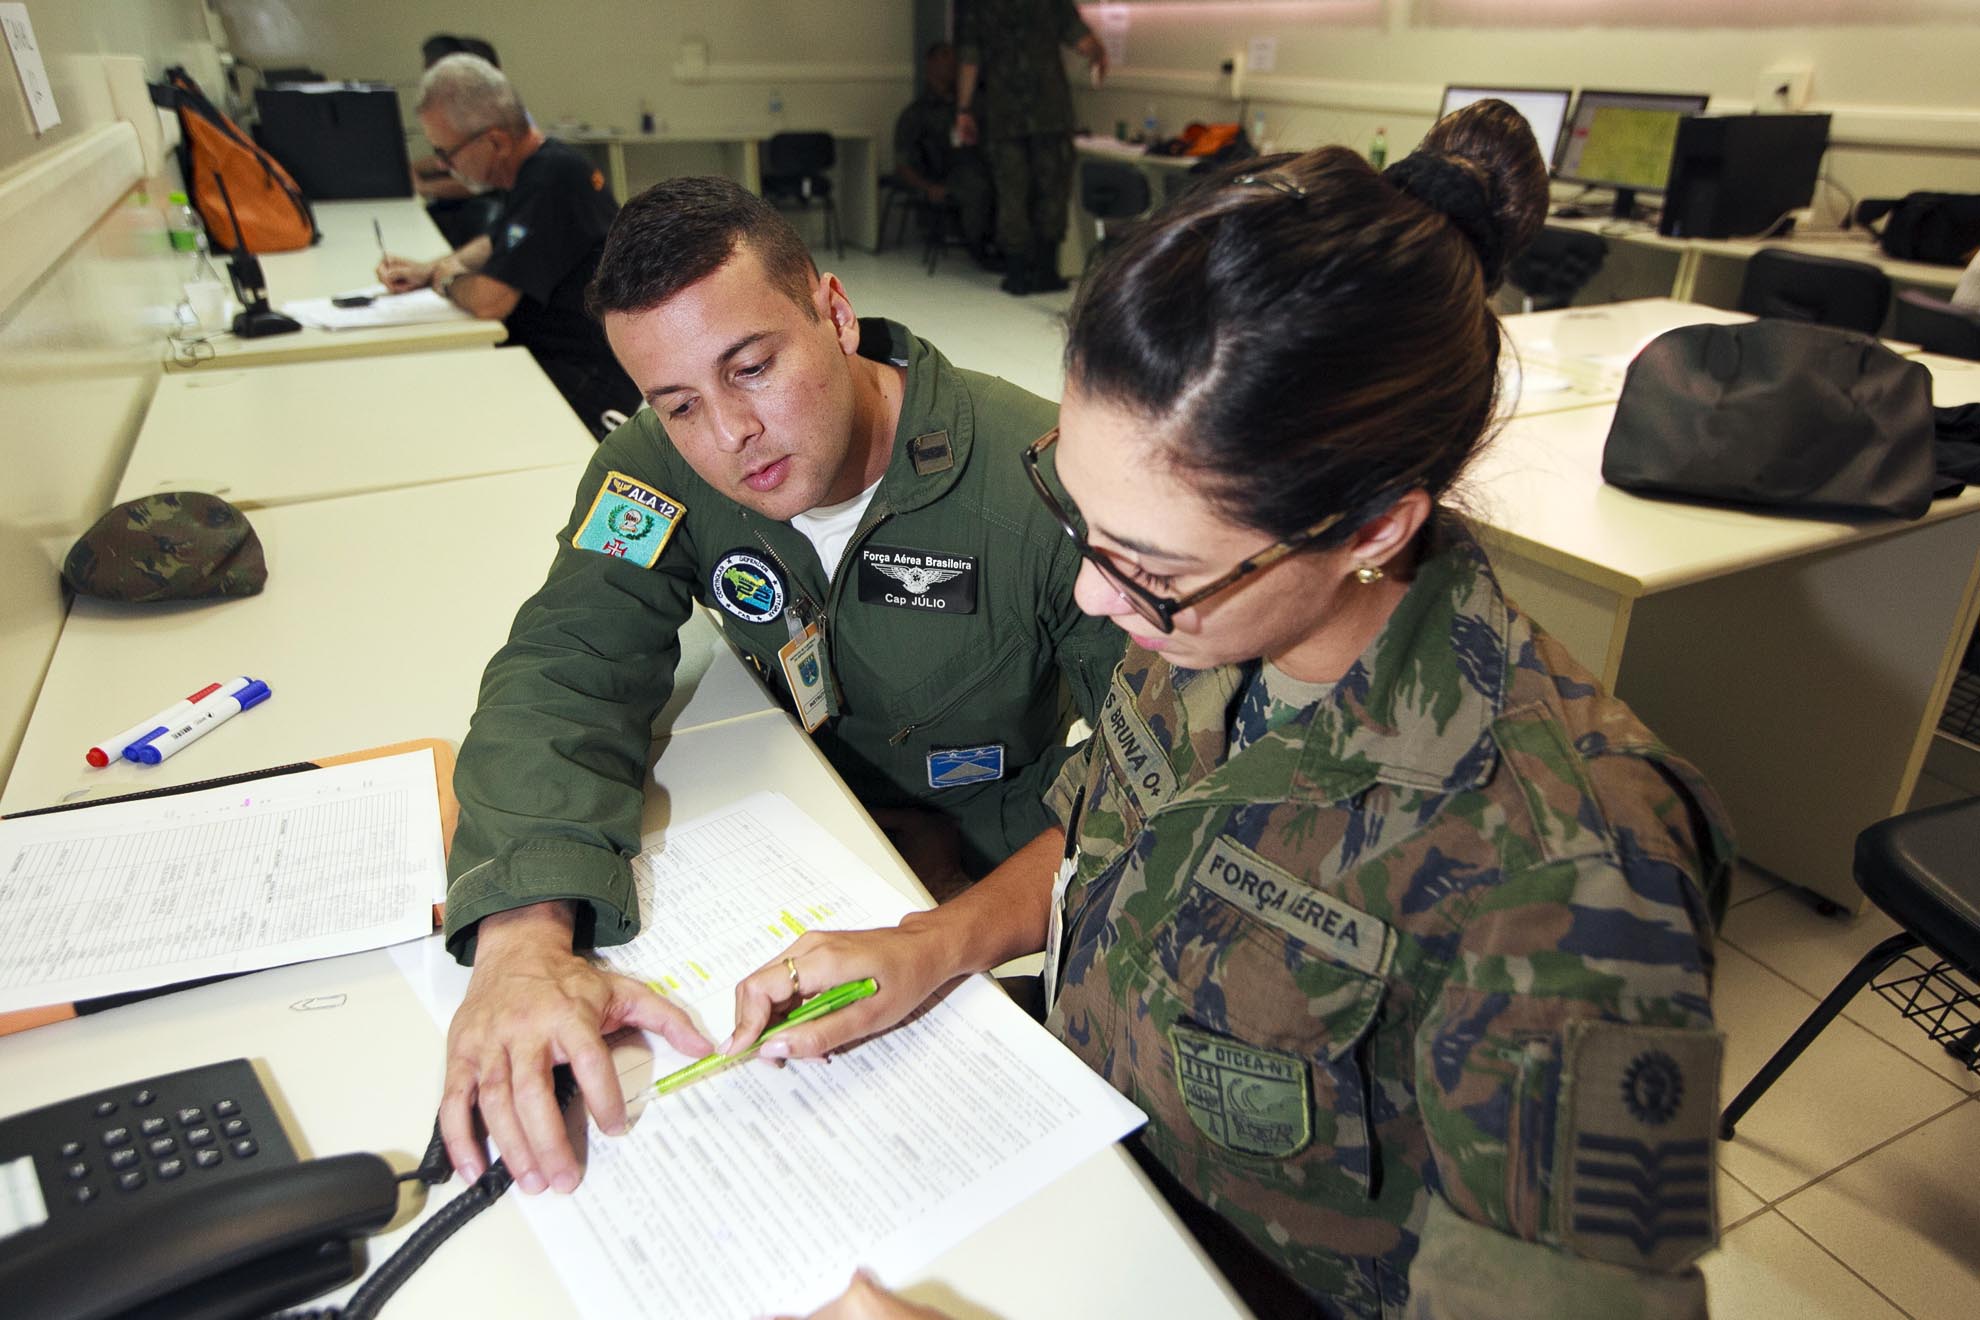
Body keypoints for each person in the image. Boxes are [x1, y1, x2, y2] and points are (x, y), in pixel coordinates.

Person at [732, 101, 1733, 1319]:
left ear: (1371, 529)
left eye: (1146, 563)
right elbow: (1118, 848)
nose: (1098, 598)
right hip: (1095, 1186)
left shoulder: (1576, 867)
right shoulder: (1212, 619)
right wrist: (939, 943)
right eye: (1078, 514)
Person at [434, 175, 1126, 1198]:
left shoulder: (1045, 479)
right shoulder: (652, 470)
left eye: (751, 368)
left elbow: (1163, 779)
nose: (728, 435)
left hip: (998, 875)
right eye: (678, 404)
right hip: (788, 853)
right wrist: (522, 942)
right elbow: (565, 669)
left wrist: (939, 942)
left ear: (834, 313)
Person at [376, 54, 638, 437]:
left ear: (495, 141)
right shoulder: (544, 167)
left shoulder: (551, 181)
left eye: (446, 152)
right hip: (563, 362)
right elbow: (495, 239)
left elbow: (488, 301)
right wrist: (430, 268)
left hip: (584, 381)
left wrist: (446, 282)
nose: (445, 165)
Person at [955, 0, 1108, 295]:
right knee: (1052, 190)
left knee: (1012, 191)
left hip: (1004, 113)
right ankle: (1046, 271)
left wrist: (964, 109)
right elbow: (1082, 40)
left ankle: (1017, 273)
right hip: (1049, 111)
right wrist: (1099, 54)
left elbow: (969, 58)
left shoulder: (978, 7)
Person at [892, 43, 996, 267]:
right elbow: (903, 163)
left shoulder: (969, 107)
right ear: (930, 64)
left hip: (976, 166)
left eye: (954, 58)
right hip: (945, 175)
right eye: (944, 57)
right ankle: (980, 247)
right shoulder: (917, 114)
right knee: (975, 186)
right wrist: (927, 188)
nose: (951, 64)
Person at [410, 35, 506, 247]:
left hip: (480, 212)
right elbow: (443, 160)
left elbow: (476, 185)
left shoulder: (492, 118)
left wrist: (423, 187)